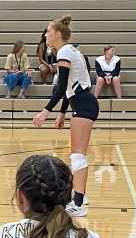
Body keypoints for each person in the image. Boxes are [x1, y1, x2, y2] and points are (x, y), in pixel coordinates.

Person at [32, 16, 98, 218]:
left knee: (78, 154)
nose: (45, 34)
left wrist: (46, 110)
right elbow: (69, 87)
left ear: (57, 34)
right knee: (77, 154)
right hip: (81, 102)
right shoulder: (67, 52)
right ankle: (81, 197)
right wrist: (61, 113)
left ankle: (78, 203)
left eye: (48, 31)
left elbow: (61, 87)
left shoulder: (65, 51)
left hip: (84, 103)